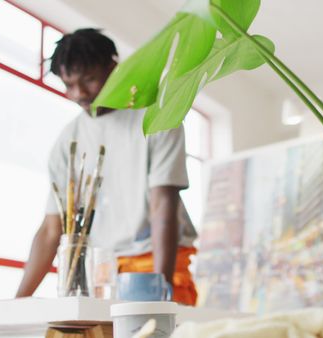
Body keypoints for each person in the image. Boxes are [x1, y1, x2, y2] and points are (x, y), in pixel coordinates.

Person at [16, 28, 198, 305]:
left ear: (114, 67)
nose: (79, 94)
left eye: (89, 80)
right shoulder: (67, 141)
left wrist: (161, 291)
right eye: (69, 85)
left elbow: (163, 208)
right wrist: (18, 302)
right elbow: (53, 229)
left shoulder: (158, 117)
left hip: (155, 262)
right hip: (99, 269)